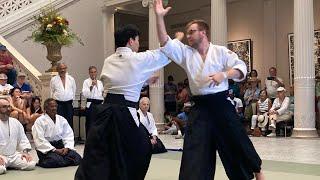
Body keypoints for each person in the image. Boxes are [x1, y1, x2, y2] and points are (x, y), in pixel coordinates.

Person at [154, 0, 264, 179]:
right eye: (187, 33)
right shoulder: (186, 53)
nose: (188, 36)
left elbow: (241, 68)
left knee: (236, 142)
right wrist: (159, 17)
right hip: (200, 109)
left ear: (203, 32)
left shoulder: (220, 52)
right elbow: (165, 42)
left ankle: (257, 172)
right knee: (195, 151)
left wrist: (224, 75)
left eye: (192, 32)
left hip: (221, 105)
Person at [75, 24, 173, 180]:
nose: (139, 44)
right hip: (124, 114)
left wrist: (144, 81)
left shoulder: (108, 60)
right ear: (131, 40)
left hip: (104, 112)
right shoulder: (137, 58)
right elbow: (166, 54)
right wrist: (178, 40)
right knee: (140, 147)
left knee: (101, 152)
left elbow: (121, 81)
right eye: (138, 40)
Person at [32, 98, 81, 168]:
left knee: (77, 158)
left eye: (55, 106)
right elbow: (39, 139)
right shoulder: (40, 121)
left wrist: (67, 148)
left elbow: (68, 135)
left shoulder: (61, 119)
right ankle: (46, 161)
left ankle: (61, 160)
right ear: (46, 108)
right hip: (47, 149)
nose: (54, 108)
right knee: (55, 160)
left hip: (60, 146)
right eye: (52, 106)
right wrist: (54, 150)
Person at [0, 98, 36, 174]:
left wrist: (25, 152)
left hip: (13, 155)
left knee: (31, 164)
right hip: (1, 156)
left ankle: (10, 165)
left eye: (9, 106)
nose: (8, 109)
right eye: (4, 107)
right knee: (0, 170)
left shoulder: (15, 122)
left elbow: (22, 139)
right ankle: (5, 165)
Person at [50, 63, 76, 129]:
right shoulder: (54, 80)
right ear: (57, 70)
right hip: (58, 104)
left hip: (69, 104)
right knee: (59, 122)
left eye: (64, 68)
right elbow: (51, 92)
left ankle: (69, 138)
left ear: (66, 69)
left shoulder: (71, 79)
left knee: (69, 121)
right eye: (61, 68)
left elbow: (74, 90)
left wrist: (72, 102)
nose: (63, 70)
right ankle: (59, 138)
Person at [82, 66, 104, 135]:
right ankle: (89, 140)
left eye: (94, 72)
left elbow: (102, 93)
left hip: (100, 103)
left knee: (99, 122)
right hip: (91, 104)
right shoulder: (86, 82)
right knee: (90, 122)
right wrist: (91, 86)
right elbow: (85, 94)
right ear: (89, 73)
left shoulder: (100, 82)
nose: (93, 73)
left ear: (97, 72)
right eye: (91, 72)